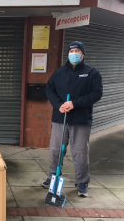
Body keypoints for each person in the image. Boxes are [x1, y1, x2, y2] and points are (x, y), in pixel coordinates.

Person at [42, 41, 103, 197]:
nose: (74, 53)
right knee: (55, 150)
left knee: (80, 152)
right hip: (60, 118)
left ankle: (82, 182)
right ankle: (52, 176)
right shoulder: (59, 72)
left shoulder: (92, 73)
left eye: (77, 51)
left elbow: (96, 94)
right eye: (71, 51)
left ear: (82, 54)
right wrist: (58, 105)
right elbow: (49, 89)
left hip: (81, 119)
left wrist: (74, 103)